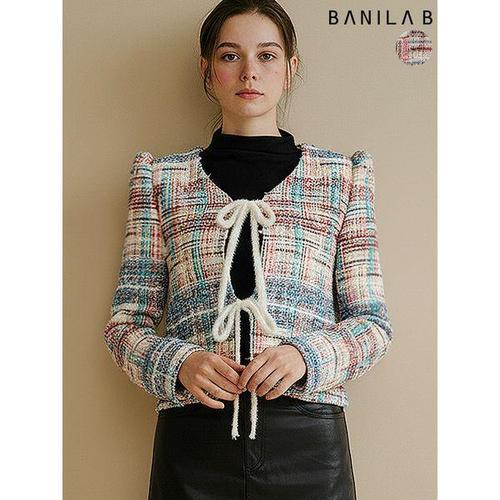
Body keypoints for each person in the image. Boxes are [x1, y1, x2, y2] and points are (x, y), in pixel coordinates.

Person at [103, 1, 394, 499]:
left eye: (267, 55)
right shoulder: (161, 180)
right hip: (193, 439)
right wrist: (178, 362)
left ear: (290, 68)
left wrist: (306, 356)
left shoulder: (340, 178)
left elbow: (373, 325)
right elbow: (124, 326)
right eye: (230, 55)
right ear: (207, 70)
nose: (249, 72)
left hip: (308, 440)